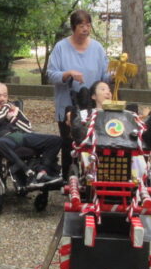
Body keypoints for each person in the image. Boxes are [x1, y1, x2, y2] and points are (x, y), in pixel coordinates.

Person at [46, 9, 111, 179]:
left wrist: (116, 74)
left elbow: (105, 76)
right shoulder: (61, 47)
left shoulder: (97, 48)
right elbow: (51, 74)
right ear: (73, 27)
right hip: (68, 103)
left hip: (92, 105)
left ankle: (92, 179)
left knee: (93, 141)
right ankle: (69, 180)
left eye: (88, 25)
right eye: (81, 25)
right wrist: (67, 74)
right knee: (70, 143)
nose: (85, 29)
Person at [0, 82, 62, 188]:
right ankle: (27, 172)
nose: (2, 99)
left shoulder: (13, 109)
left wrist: (12, 118)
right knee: (0, 143)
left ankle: (42, 172)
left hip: (20, 136)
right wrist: (6, 108)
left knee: (56, 140)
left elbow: (27, 127)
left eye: (5, 95)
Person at [73, 80, 151, 182]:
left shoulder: (126, 114)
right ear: (93, 96)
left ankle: (137, 180)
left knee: (138, 157)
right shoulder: (86, 114)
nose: (108, 92)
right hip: (95, 148)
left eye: (109, 90)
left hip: (125, 147)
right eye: (103, 89)